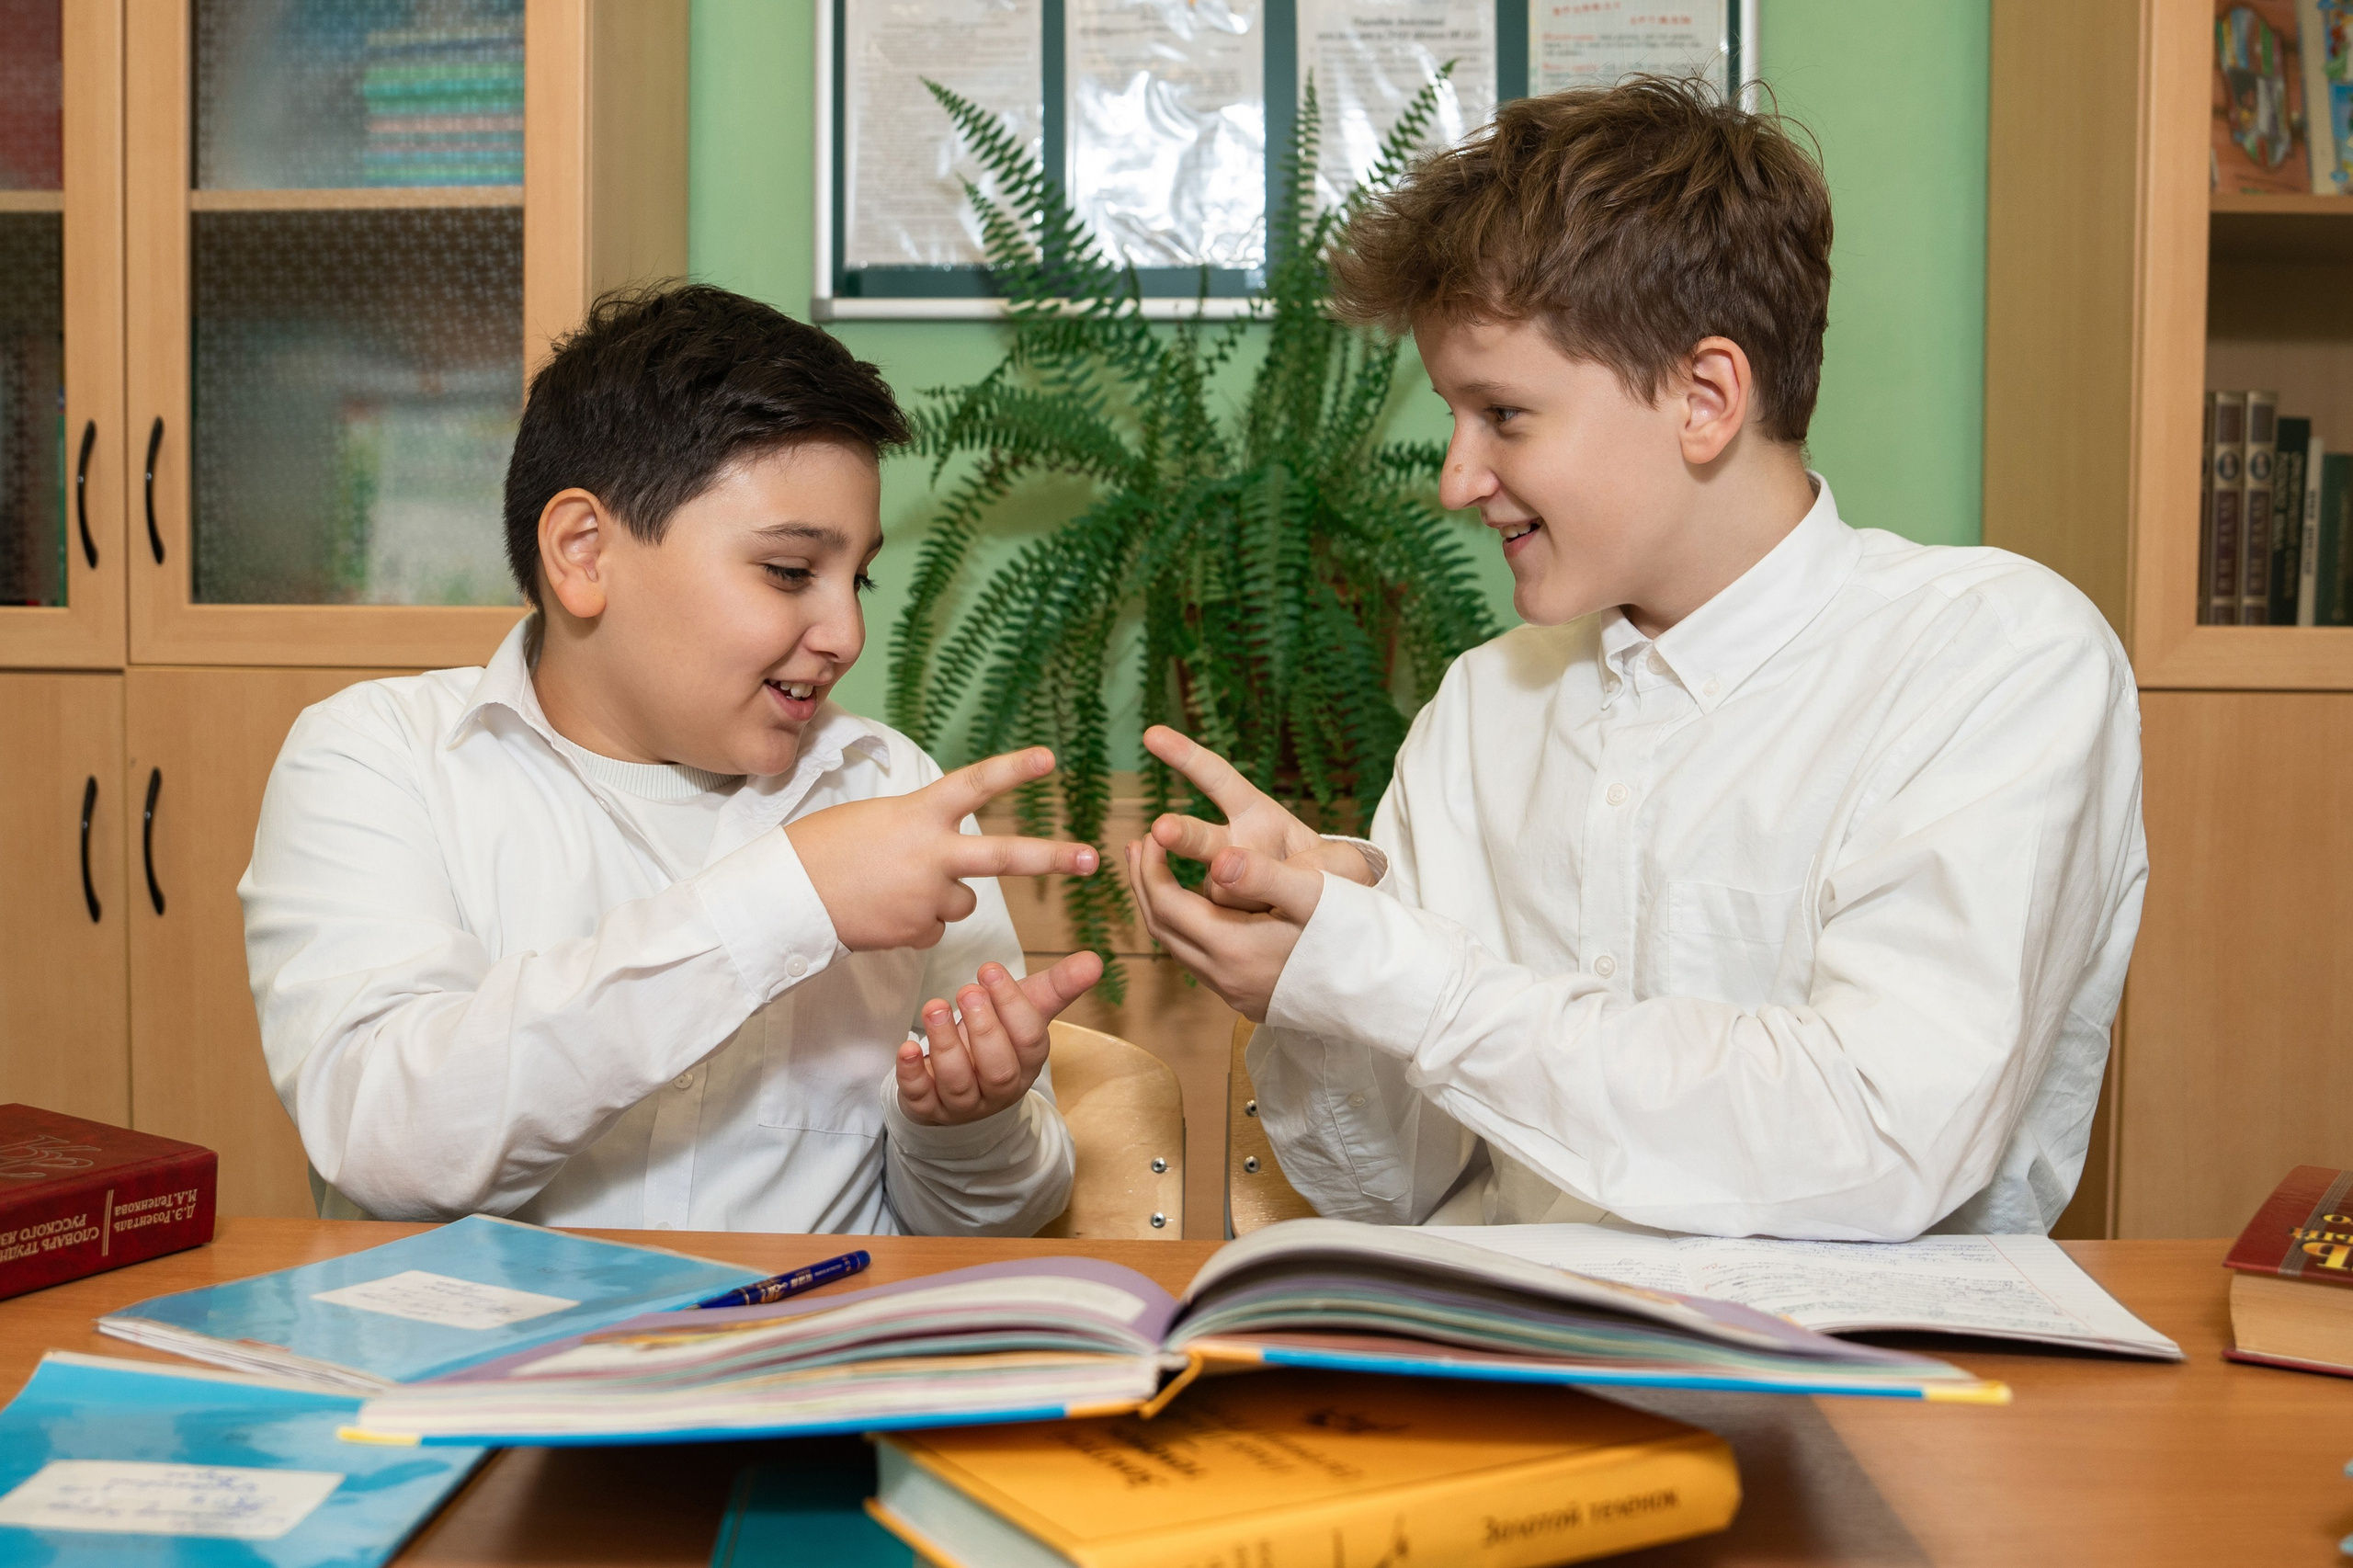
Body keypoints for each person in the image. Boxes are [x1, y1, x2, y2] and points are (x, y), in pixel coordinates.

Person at [1124, 78, 2147, 1241]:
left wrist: (1398, 977)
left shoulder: (1995, 657)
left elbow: (1879, 1139)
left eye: (1502, 414)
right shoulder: (1482, 706)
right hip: (1500, 1380)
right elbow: (1389, 1189)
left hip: (1858, 1392)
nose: (1456, 479)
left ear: (1705, 397)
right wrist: (1319, 971)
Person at [242, 284, 1102, 1234]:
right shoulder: (377, 758)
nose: (847, 631)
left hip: (804, 1373)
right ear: (583, 551)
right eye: (788, 570)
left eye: (857, 577)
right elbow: (389, 1141)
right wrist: (786, 899)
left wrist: (966, 1124)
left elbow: (983, 1225)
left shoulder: (891, 791)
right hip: (494, 1382)